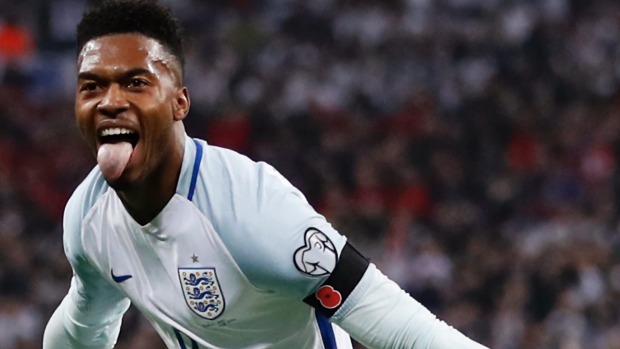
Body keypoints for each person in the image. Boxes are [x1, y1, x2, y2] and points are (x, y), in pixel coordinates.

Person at [42, 1, 489, 348]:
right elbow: (84, 324)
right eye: (92, 86)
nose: (109, 101)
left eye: (135, 83)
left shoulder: (252, 212)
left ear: (179, 102)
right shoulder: (87, 216)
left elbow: (407, 331)